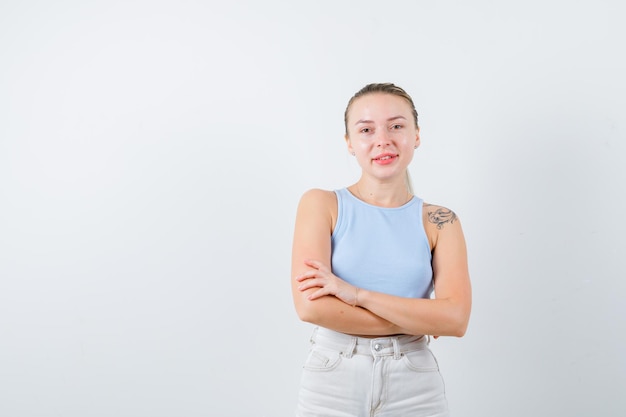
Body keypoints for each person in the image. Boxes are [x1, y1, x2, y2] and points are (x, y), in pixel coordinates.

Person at [290, 83, 472, 417]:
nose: (382, 140)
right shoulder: (321, 204)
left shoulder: (440, 221)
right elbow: (311, 308)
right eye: (366, 129)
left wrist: (356, 295)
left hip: (414, 381)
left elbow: (456, 319)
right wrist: (418, 317)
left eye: (397, 126)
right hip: (334, 376)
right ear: (349, 143)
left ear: (416, 135)